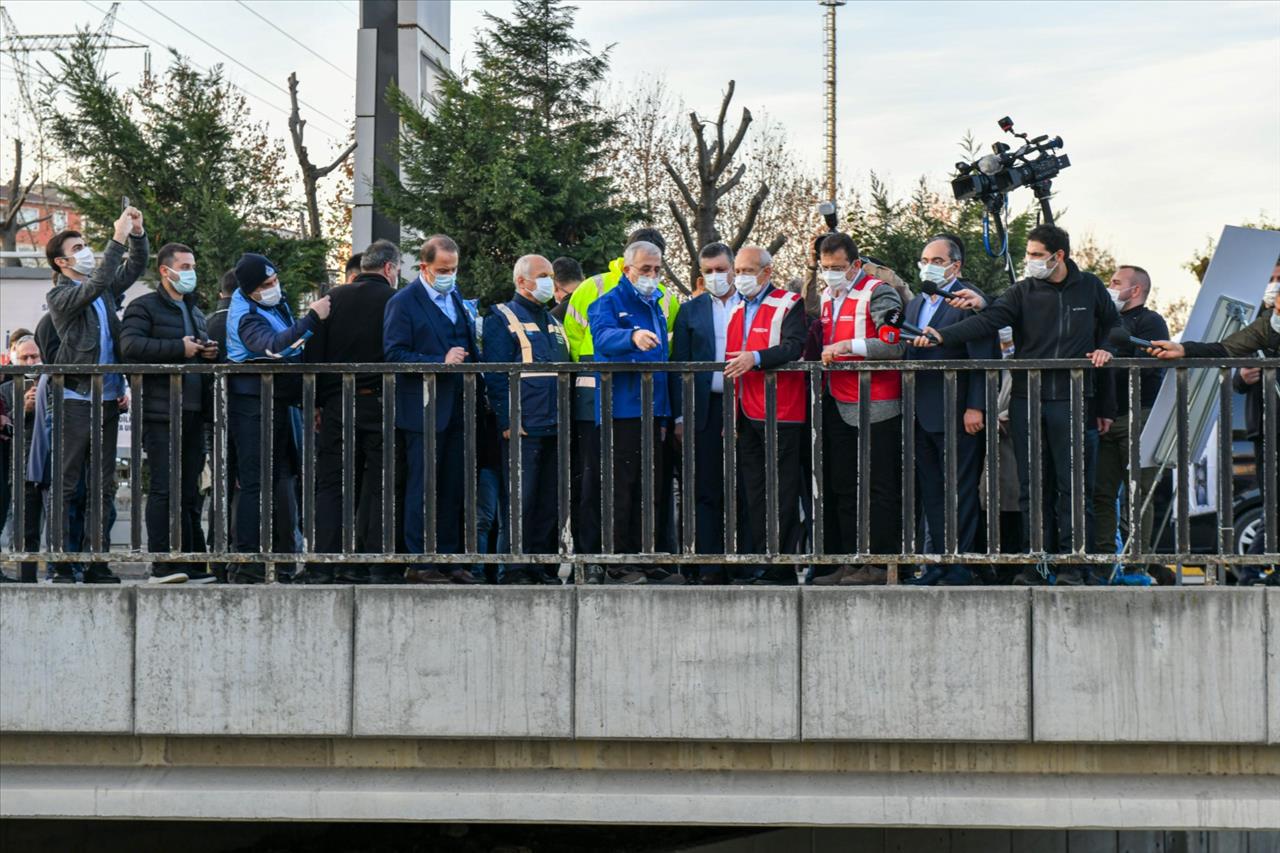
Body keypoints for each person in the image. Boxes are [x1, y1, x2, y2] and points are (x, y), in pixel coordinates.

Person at [915, 224, 1120, 585]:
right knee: (1033, 488)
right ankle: (1036, 565)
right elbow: (988, 321)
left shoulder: (1090, 287)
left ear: (1059, 257)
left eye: (1037, 255)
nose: (1030, 262)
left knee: (1073, 488)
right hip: (1029, 400)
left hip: (1074, 400)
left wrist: (1109, 355)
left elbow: (1113, 329)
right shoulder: (1022, 291)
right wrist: (942, 334)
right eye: (1028, 255)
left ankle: (1076, 566)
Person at [564, 229, 681, 580]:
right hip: (621, 409)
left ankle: (645, 556)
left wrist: (668, 413)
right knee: (620, 487)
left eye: (657, 269)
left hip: (653, 409)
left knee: (652, 487)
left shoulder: (657, 304)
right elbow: (602, 337)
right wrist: (631, 336)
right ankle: (616, 561)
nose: (652, 276)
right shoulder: (608, 302)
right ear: (628, 269)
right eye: (645, 269)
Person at [1149, 274, 1280, 585]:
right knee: (1273, 503)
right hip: (1268, 427)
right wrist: (1183, 350)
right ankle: (1254, 571)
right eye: (1274, 281)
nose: (1275, 289)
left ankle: (1255, 570)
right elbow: (1227, 348)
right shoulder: (1266, 325)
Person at [44, 207, 149, 583]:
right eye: (79, 247)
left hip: (105, 400)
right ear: (62, 260)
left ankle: (96, 561)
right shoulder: (60, 295)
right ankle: (59, 561)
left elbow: (133, 268)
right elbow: (98, 281)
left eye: (88, 244)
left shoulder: (102, 295)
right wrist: (116, 238)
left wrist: (136, 234)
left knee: (103, 485)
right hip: (75, 401)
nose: (86, 251)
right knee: (67, 483)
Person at [810, 233, 907, 586]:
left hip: (877, 401)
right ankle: (851, 559)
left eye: (837, 268)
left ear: (855, 264)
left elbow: (893, 345)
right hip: (837, 399)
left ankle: (882, 564)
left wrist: (846, 346)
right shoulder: (827, 296)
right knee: (842, 485)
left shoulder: (878, 291)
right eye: (825, 268)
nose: (831, 274)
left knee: (880, 487)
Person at [226, 253, 330, 582]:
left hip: (276, 402)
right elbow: (274, 348)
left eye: (274, 281)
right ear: (250, 289)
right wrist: (312, 318)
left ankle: (273, 559)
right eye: (266, 285)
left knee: (274, 482)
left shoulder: (270, 305)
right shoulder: (247, 316)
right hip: (253, 404)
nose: (274, 288)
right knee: (255, 484)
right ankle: (248, 565)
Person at [383, 234, 481, 584]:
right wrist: (438, 361)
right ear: (423, 268)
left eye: (453, 269)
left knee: (454, 484)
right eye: (442, 269)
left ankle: (451, 557)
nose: (449, 275)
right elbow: (394, 353)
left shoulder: (456, 298)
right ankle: (421, 560)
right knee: (422, 485)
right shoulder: (403, 302)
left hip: (457, 406)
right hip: (422, 407)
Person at [119, 242, 219, 583]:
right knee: (164, 488)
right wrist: (180, 348)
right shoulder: (143, 307)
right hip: (161, 412)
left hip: (193, 411)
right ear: (166, 270)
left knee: (191, 490)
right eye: (186, 266)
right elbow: (129, 346)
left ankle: (192, 562)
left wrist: (207, 353)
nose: (191, 273)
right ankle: (163, 564)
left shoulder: (194, 309)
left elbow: (196, 350)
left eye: (193, 266)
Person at [901, 237, 998, 585]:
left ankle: (960, 563)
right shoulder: (915, 304)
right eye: (924, 259)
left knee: (960, 489)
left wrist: (976, 406)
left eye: (937, 260)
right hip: (920, 410)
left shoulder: (968, 302)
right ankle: (936, 564)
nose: (928, 266)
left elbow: (984, 356)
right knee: (932, 490)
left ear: (955, 266)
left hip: (958, 410)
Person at [304, 239, 400, 583]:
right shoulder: (395, 301)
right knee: (378, 484)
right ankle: (372, 562)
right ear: (389, 268)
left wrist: (315, 402)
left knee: (332, 483)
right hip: (380, 401)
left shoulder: (333, 299)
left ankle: (325, 562)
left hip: (336, 404)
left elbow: (312, 352)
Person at [722, 245, 807, 585]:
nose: (740, 277)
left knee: (782, 490)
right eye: (737, 271)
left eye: (747, 271)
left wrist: (756, 358)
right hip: (744, 410)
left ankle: (781, 565)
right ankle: (761, 560)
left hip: (781, 409)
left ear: (767, 272)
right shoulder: (735, 308)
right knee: (755, 489)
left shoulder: (788, 303)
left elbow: (793, 346)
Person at [483, 254, 570, 584]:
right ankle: (515, 568)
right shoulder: (501, 316)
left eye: (550, 274)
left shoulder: (552, 320)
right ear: (522, 281)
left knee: (549, 503)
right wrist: (508, 419)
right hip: (524, 426)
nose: (550, 280)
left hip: (554, 424)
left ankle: (543, 567)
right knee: (521, 501)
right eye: (542, 275)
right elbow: (495, 376)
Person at [1090, 265, 1169, 583]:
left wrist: (1111, 359)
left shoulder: (1151, 322)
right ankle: (1105, 561)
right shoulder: (1105, 321)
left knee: (1139, 492)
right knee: (1102, 493)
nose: (1110, 287)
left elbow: (1151, 368)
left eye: (1115, 283)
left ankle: (1137, 563)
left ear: (1135, 290)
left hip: (1141, 415)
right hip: (1107, 417)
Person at [671, 242, 739, 584]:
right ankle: (708, 564)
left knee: (745, 485)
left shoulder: (750, 305)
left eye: (721, 269)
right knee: (705, 488)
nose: (716, 276)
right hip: (704, 410)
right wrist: (681, 417)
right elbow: (679, 365)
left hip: (746, 406)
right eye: (709, 271)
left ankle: (747, 562)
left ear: (733, 268)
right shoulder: (690, 311)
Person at [0, 335, 42, 582]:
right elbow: (6, 426)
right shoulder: (5, 389)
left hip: (50, 460)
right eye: (24, 357)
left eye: (34, 356)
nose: (29, 361)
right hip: (18, 464)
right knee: (25, 525)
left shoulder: (54, 382)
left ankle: (68, 570)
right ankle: (27, 579)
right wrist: (22, 410)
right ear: (14, 358)